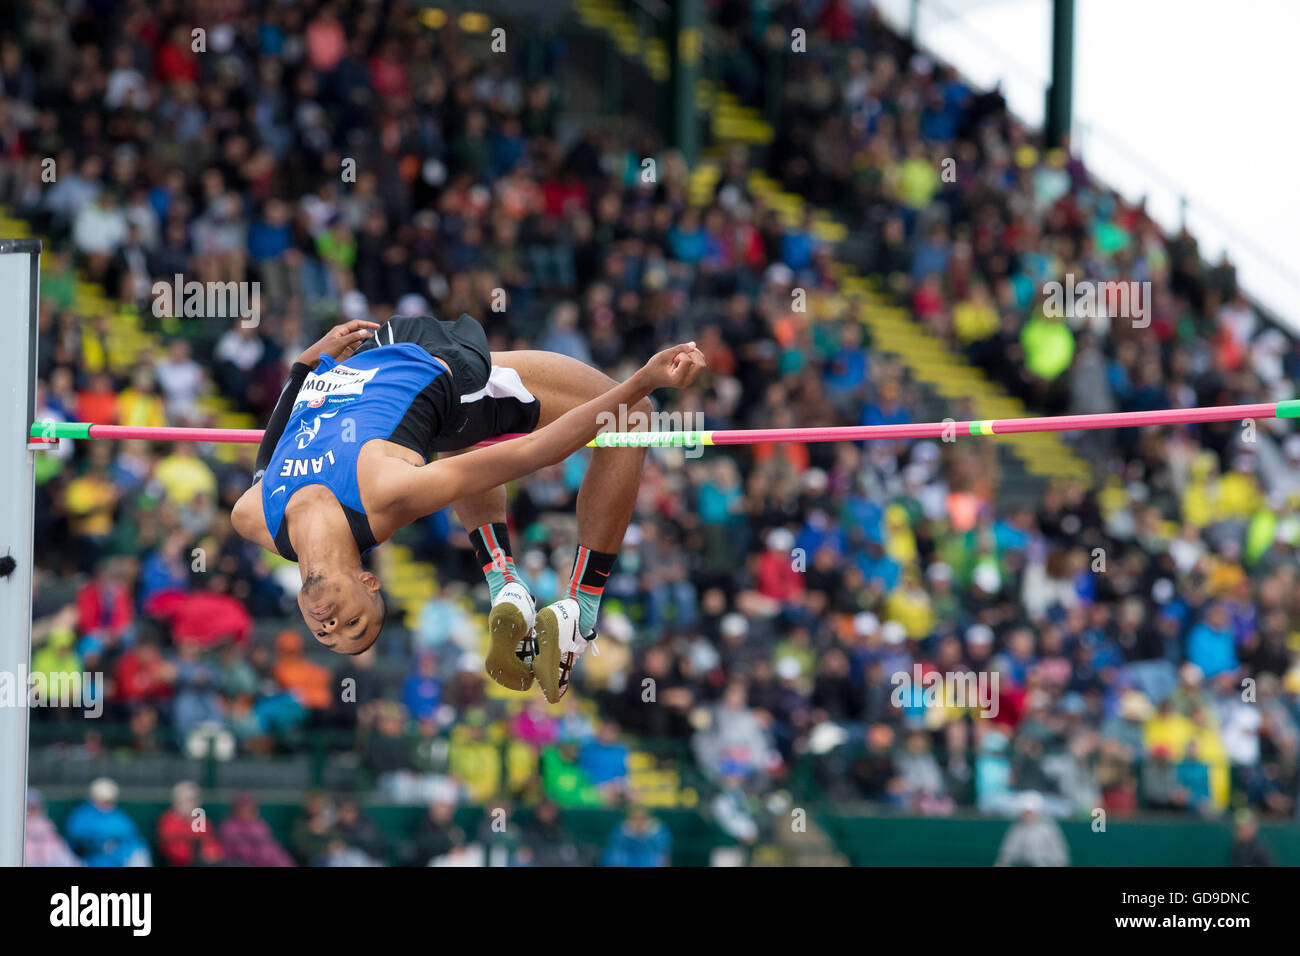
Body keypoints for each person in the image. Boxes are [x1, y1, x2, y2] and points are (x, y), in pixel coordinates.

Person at [231, 313, 705, 704]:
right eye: (352, 623)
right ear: (367, 581)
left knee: (455, 436)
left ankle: (507, 587)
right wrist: (642, 380)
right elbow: (528, 454)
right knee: (632, 417)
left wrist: (301, 367)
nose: (331, 626)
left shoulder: (254, 517)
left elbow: (268, 456)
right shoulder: (384, 496)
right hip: (445, 369)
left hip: (369, 354)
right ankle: (579, 610)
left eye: (327, 635)